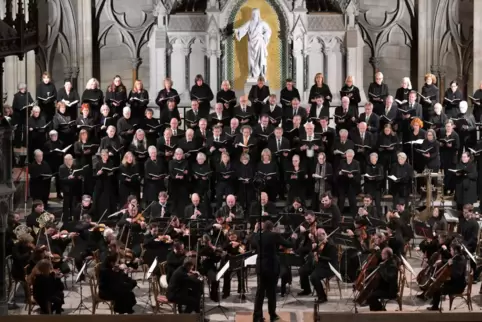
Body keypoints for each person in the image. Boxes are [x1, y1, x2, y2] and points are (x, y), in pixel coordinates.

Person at [252, 220, 293, 322]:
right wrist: (293, 238)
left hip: (261, 267)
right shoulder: (275, 235)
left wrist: (255, 230)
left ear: (264, 227)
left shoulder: (258, 236)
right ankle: (273, 315)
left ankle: (257, 317)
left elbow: (252, 243)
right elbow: (288, 244)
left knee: (260, 293)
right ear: (272, 228)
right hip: (271, 267)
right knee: (271, 293)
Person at [427, 243, 467, 311]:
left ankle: (435, 307)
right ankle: (434, 303)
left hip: (458, 286)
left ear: (456, 251)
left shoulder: (460, 260)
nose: (450, 251)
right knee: (437, 284)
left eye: (451, 250)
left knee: (437, 288)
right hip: (455, 282)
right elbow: (451, 261)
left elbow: (457, 274)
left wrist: (448, 275)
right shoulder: (458, 257)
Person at [367, 247, 399, 311]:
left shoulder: (392, 265)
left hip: (390, 291)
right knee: (370, 293)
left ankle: (381, 311)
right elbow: (378, 268)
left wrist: (381, 269)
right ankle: (377, 310)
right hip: (385, 287)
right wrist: (369, 269)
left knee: (371, 297)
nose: (381, 254)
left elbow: (388, 278)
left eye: (382, 253)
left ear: (387, 255)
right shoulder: (387, 262)